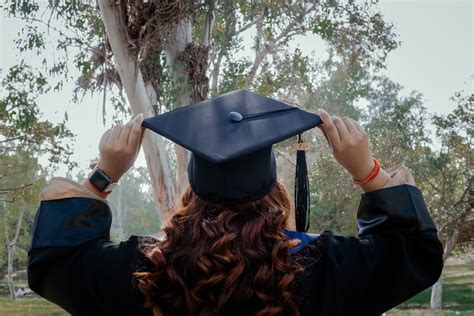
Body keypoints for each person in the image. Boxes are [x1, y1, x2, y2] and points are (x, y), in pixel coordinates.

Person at [28, 90, 443, 316]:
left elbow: (55, 260)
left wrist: (104, 174)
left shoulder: (141, 271)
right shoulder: (327, 269)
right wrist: (367, 171)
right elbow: (413, 252)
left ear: (191, 191)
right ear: (272, 188)